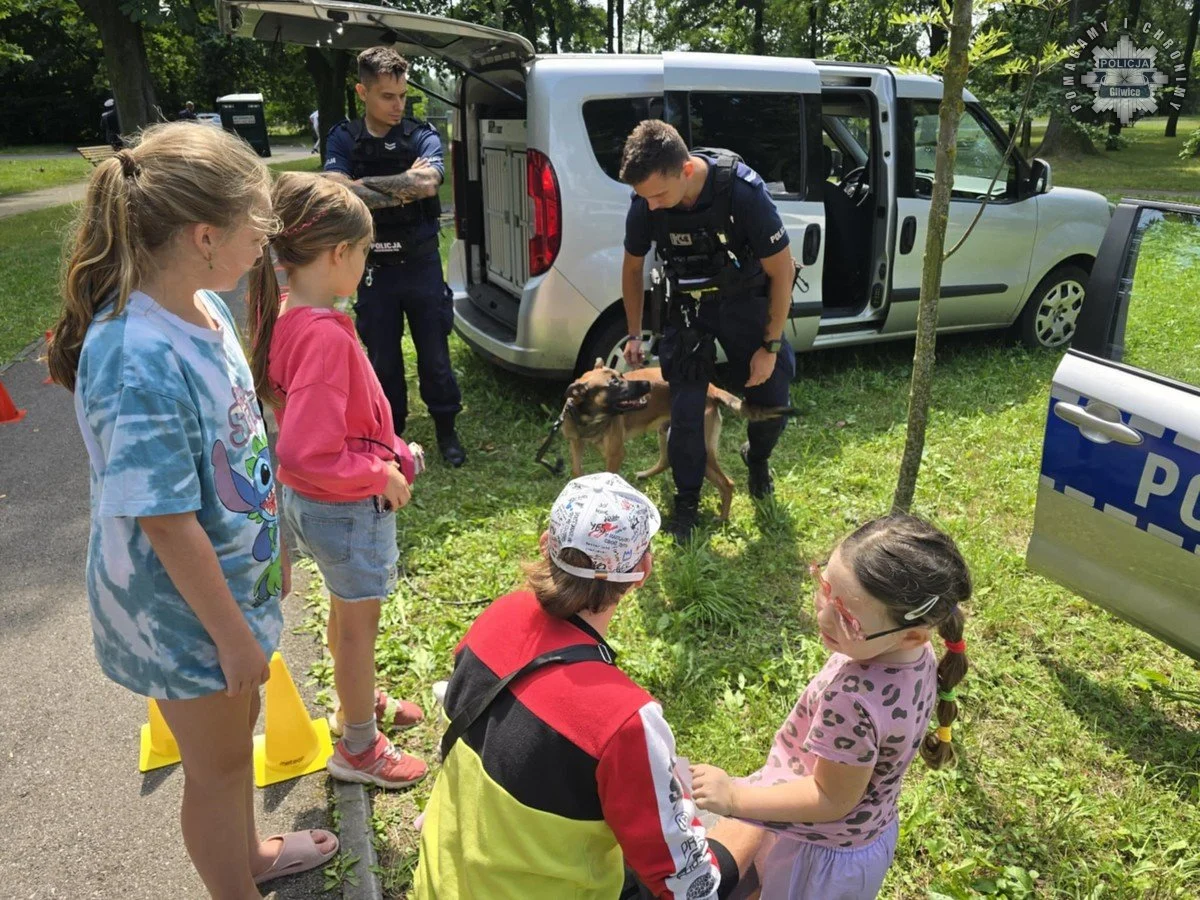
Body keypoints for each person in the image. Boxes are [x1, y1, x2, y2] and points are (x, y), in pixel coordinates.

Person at [47, 123, 338, 899]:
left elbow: (236, 448)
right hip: (185, 618)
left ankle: (251, 858)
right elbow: (165, 522)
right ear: (205, 236)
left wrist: (268, 561)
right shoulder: (135, 356)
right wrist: (235, 637)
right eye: (257, 229)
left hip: (221, 599)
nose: (266, 245)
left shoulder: (203, 304)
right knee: (213, 772)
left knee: (234, 751)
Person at [413, 472, 763, 900]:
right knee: (751, 846)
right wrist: (751, 807)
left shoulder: (496, 618)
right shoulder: (625, 722)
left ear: (546, 544)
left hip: (442, 883)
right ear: (643, 571)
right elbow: (691, 889)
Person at [247, 171, 430, 789]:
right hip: (345, 508)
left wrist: (389, 448)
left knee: (344, 615)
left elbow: (322, 425)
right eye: (364, 252)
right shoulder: (324, 334)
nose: (365, 267)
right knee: (357, 630)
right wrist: (379, 471)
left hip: (312, 507)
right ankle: (358, 746)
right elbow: (306, 450)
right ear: (338, 254)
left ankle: (362, 701)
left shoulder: (288, 315)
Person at [689, 513, 972, 900]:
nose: (822, 615)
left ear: (910, 634)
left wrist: (735, 797)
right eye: (825, 587)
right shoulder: (917, 652)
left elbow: (831, 798)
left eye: (848, 619)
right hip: (858, 836)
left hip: (817, 853)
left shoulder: (853, 700)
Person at [619, 120, 797, 541]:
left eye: (659, 195)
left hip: (745, 300)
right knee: (684, 410)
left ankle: (757, 459)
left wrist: (769, 344)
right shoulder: (646, 202)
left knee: (772, 398)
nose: (654, 207)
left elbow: (782, 269)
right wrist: (632, 334)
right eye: (646, 199)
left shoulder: (741, 192)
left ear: (685, 171)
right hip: (688, 305)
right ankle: (686, 501)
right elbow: (631, 266)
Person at [323, 46, 466, 467]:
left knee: (436, 358)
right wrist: (401, 182)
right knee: (383, 360)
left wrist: (364, 184)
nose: (398, 105)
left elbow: (427, 184)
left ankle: (446, 430)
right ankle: (392, 435)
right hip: (373, 271)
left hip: (420, 264)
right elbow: (335, 190)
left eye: (402, 95)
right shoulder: (343, 137)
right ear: (362, 92)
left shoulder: (421, 134)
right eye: (388, 96)